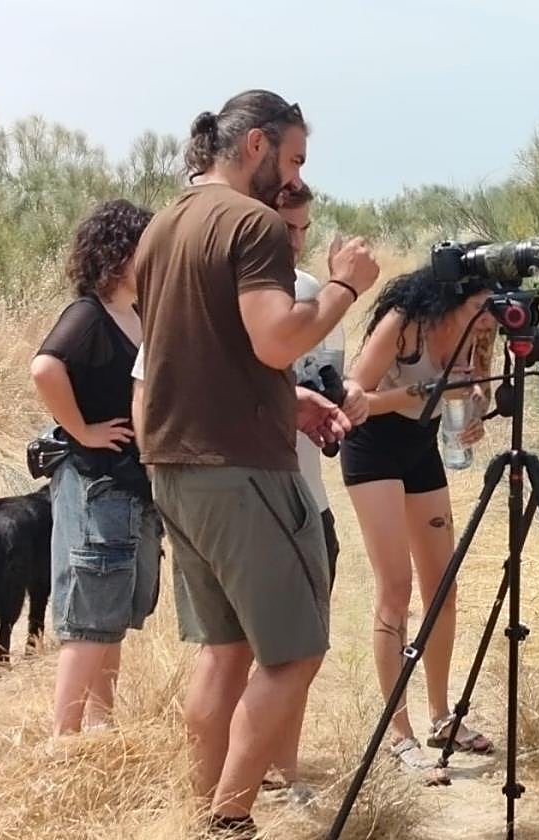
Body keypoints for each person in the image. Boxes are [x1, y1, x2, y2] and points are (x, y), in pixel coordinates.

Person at [132, 90, 378, 839]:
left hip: (174, 464)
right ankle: (230, 818)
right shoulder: (252, 223)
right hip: (241, 474)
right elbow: (275, 338)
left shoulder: (162, 228)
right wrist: (344, 286)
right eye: (294, 157)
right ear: (256, 145)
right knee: (294, 653)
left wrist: (285, 399)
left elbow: (206, 353)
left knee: (224, 651)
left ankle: (203, 808)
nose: (294, 174)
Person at [340, 255, 498, 785]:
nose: (491, 317)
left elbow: (479, 392)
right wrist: (417, 395)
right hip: (373, 448)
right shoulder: (405, 323)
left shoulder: (480, 335)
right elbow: (352, 398)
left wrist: (473, 414)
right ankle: (397, 733)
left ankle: (440, 715)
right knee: (396, 589)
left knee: (442, 588)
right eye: (482, 305)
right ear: (455, 296)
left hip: (422, 446)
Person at [29, 198, 161, 737]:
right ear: (119, 253)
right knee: (88, 618)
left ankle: (102, 730)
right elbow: (44, 368)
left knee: (109, 618)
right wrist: (82, 430)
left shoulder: (137, 312)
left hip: (126, 484)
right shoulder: (88, 314)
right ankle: (64, 741)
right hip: (94, 482)